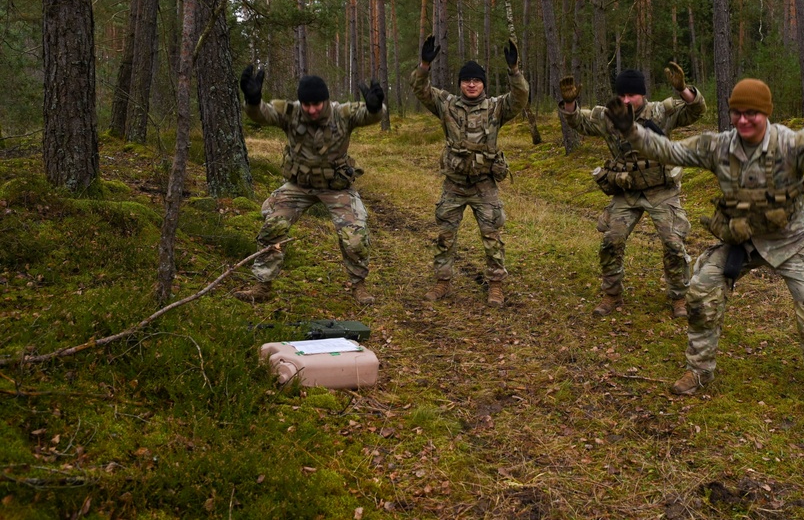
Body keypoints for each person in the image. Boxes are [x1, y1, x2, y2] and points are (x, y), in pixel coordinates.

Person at [603, 79, 804, 421]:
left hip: (790, 241)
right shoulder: (718, 146)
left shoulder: (792, 143)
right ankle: (699, 370)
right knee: (701, 292)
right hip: (740, 240)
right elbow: (669, 151)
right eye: (737, 112)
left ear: (765, 113)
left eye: (751, 113)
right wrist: (631, 131)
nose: (743, 120)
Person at [558, 64, 706, 318]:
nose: (626, 100)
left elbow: (696, 111)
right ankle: (612, 294)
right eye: (622, 95)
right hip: (626, 190)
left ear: (643, 94)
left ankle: (679, 297)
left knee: (673, 244)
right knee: (611, 240)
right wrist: (570, 105)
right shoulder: (609, 116)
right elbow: (579, 122)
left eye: (632, 95)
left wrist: (683, 89)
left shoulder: (661, 112)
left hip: (661, 190)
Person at [236, 65, 385, 305]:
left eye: (317, 104)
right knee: (273, 226)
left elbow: (370, 116)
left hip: (336, 188)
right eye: (307, 104)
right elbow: (261, 114)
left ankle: (359, 286)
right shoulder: (290, 112)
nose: (312, 109)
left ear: (326, 101)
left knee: (355, 236)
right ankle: (262, 285)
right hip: (299, 186)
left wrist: (375, 106)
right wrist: (253, 100)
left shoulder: (342, 114)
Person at [411, 35, 529, 307]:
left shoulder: (497, 107)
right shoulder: (447, 104)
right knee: (445, 235)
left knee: (492, 237)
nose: (472, 84)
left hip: (484, 184)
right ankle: (442, 282)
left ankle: (496, 285)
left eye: (476, 80)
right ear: (461, 84)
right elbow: (420, 89)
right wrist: (425, 64)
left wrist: (514, 71)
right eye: (467, 80)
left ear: (483, 84)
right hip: (454, 184)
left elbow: (521, 96)